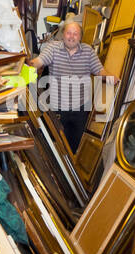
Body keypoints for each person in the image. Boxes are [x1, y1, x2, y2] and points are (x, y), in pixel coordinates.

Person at [29, 17, 118, 154]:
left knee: (75, 147)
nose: (71, 37)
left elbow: (99, 71)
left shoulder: (88, 51)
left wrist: (111, 77)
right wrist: (28, 65)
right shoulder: (52, 48)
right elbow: (39, 61)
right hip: (58, 108)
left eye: (75, 33)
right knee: (56, 145)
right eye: (69, 33)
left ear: (80, 37)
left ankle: (72, 172)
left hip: (80, 109)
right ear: (63, 34)